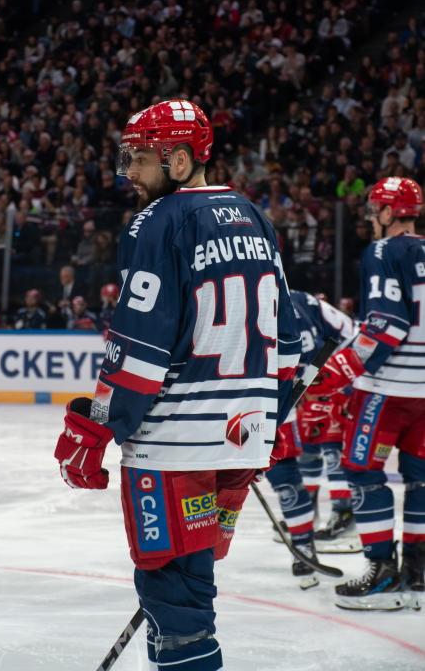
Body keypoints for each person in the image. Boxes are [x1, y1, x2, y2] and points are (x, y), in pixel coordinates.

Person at [54, 99, 301, 671]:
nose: (130, 173)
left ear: (181, 160)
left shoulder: (157, 221)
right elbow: (288, 344)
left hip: (174, 443)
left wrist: (96, 429)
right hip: (242, 437)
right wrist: (271, 423)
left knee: (173, 597)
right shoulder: (254, 216)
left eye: (140, 160)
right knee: (191, 588)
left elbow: (139, 349)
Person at [309, 177, 425, 610]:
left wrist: (335, 371)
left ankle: (383, 571)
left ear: (390, 213)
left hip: (386, 390)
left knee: (361, 471)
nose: (372, 218)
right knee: (420, 478)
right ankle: (418, 570)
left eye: (376, 210)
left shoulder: (382, 251)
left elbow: (385, 326)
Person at [266, 290, 357, 588]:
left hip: (297, 395)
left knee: (293, 470)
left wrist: (337, 378)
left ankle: (313, 535)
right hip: (248, 395)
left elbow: (351, 332)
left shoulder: (302, 301)